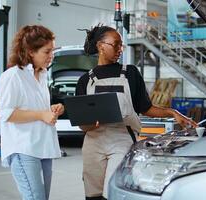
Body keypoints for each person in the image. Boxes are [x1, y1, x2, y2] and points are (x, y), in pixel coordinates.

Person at [76, 24, 197, 200]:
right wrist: (88, 124)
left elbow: (146, 108)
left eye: (121, 45)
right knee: (93, 194)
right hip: (93, 142)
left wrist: (173, 112)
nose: (119, 49)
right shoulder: (85, 80)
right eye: (115, 44)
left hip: (122, 139)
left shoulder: (130, 73)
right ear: (100, 46)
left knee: (113, 191)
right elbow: (83, 125)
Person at [0, 25, 64, 200]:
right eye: (47, 51)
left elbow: (31, 107)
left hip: (43, 146)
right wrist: (41, 115)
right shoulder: (13, 76)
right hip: (24, 148)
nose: (51, 56)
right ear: (30, 52)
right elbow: (5, 113)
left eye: (53, 51)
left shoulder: (42, 75)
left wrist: (51, 110)